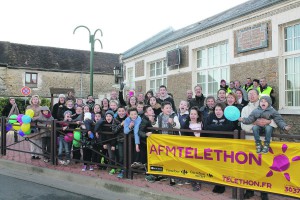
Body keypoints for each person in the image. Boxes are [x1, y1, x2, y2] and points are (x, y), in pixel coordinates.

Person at [240, 89, 277, 200]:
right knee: (250, 166)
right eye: (249, 94)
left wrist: (268, 122)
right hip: (250, 140)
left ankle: (264, 191)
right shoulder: (245, 109)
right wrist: (255, 123)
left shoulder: (269, 107)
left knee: (264, 166)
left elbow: (276, 121)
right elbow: (243, 125)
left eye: (253, 94)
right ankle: (249, 190)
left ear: (258, 95)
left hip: (264, 140)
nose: (251, 96)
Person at [203, 103, 235, 193]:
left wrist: (214, 128)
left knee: (223, 165)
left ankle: (222, 184)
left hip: (225, 146)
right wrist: (220, 128)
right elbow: (206, 127)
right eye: (216, 109)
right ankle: (217, 182)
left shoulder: (227, 117)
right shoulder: (210, 116)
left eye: (220, 110)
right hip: (213, 145)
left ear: (223, 110)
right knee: (215, 165)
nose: (218, 111)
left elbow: (229, 127)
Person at [181, 107, 203, 191]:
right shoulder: (186, 125)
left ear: (197, 116)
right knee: (190, 164)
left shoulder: (201, 123)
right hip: (189, 148)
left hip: (199, 148)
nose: (193, 116)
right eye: (191, 114)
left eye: (195, 114)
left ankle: (198, 182)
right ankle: (192, 179)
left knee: (198, 165)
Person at [97, 110, 116, 175]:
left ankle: (114, 167)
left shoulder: (114, 123)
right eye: (107, 116)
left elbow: (114, 135)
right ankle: (112, 167)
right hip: (107, 142)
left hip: (114, 142)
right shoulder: (103, 124)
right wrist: (104, 143)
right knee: (110, 155)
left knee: (115, 156)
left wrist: (113, 145)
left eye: (110, 116)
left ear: (112, 117)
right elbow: (103, 134)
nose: (108, 117)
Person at [112, 106, 127, 178]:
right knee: (121, 156)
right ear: (117, 112)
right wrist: (121, 125)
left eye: (123, 111)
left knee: (129, 156)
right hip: (120, 140)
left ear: (125, 111)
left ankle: (128, 170)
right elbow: (114, 131)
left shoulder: (128, 118)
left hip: (129, 141)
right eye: (120, 111)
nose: (121, 113)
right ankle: (122, 170)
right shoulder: (115, 119)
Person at [27, 95, 42, 159]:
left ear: (38, 100)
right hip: (31, 125)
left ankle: (38, 155)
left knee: (39, 140)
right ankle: (32, 154)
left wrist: (33, 118)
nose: (35, 100)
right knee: (32, 140)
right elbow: (27, 115)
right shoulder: (28, 107)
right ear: (31, 100)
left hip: (39, 125)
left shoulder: (41, 107)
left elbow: (41, 116)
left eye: (36, 99)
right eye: (34, 99)